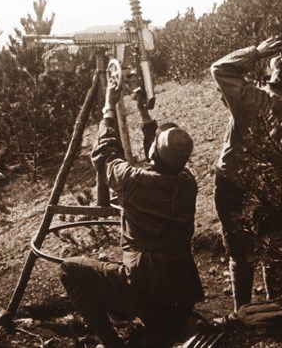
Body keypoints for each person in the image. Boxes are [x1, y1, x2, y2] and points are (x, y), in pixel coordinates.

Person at [59, 80, 204, 348]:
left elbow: (105, 155)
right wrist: (144, 113)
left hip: (148, 297)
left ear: (154, 154)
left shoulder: (135, 181)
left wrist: (108, 108)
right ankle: (158, 331)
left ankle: (113, 344)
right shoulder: (187, 182)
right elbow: (159, 158)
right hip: (182, 299)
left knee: (70, 270)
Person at [210, 36, 282, 312]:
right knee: (273, 250)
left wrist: (256, 52)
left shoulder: (254, 100)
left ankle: (242, 312)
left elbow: (219, 69)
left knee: (241, 254)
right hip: (272, 187)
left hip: (234, 184)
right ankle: (273, 310)